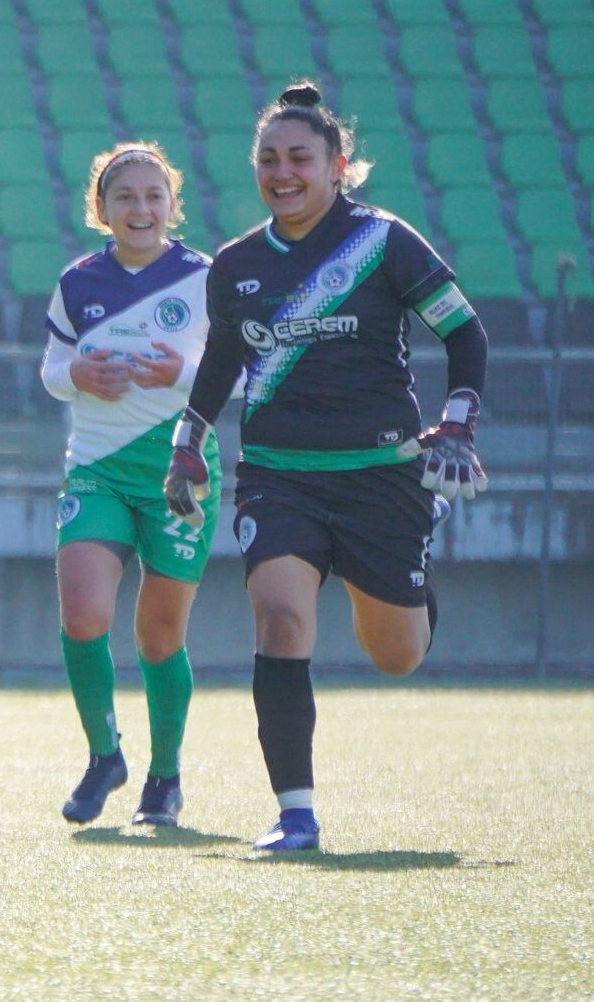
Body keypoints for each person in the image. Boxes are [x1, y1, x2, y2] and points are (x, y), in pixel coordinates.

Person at [164, 81, 488, 852]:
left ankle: (423, 522)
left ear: (338, 164)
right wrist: (189, 439)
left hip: (382, 472)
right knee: (279, 617)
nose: (283, 172)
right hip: (280, 474)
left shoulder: (386, 242)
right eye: (268, 159)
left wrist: (459, 424)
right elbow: (221, 359)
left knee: (397, 654)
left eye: (300, 157)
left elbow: (466, 335)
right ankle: (295, 812)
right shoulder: (238, 263)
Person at [40, 143, 218, 828]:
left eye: (153, 196)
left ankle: (164, 775)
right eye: (125, 197)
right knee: (83, 615)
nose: (140, 208)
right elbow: (52, 366)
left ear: (172, 204)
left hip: (181, 470)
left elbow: (234, 373)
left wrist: (179, 371)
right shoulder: (79, 281)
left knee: (158, 637)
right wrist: (75, 375)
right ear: (102, 210)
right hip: (97, 466)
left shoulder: (206, 278)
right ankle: (103, 754)